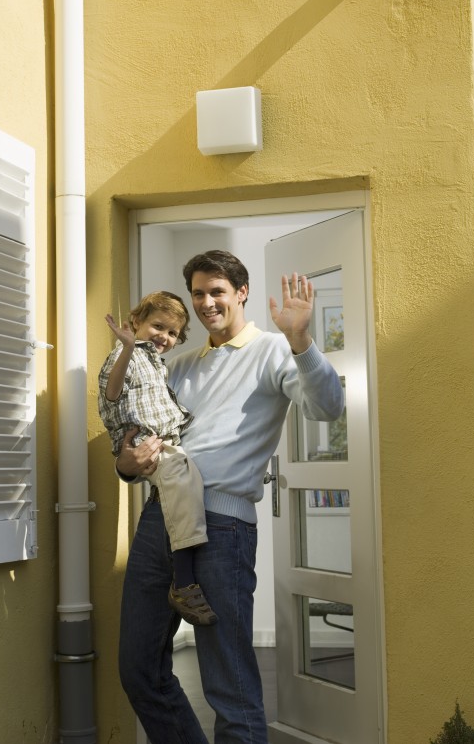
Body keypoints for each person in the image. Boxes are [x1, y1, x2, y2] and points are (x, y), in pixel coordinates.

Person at [115, 250, 344, 744]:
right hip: (159, 522)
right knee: (139, 670)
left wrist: (300, 337)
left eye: (217, 291)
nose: (206, 302)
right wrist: (127, 464)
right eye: (198, 293)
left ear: (240, 292)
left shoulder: (273, 350)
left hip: (221, 529)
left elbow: (328, 407)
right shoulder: (176, 365)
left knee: (230, 688)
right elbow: (134, 438)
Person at [98, 292, 216, 626]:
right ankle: (183, 581)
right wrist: (125, 349)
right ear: (136, 322)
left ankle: (183, 577)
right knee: (180, 475)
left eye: (172, 332)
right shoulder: (128, 355)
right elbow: (113, 391)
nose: (164, 336)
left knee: (185, 481)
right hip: (144, 441)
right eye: (158, 326)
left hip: (161, 441)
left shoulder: (156, 363)